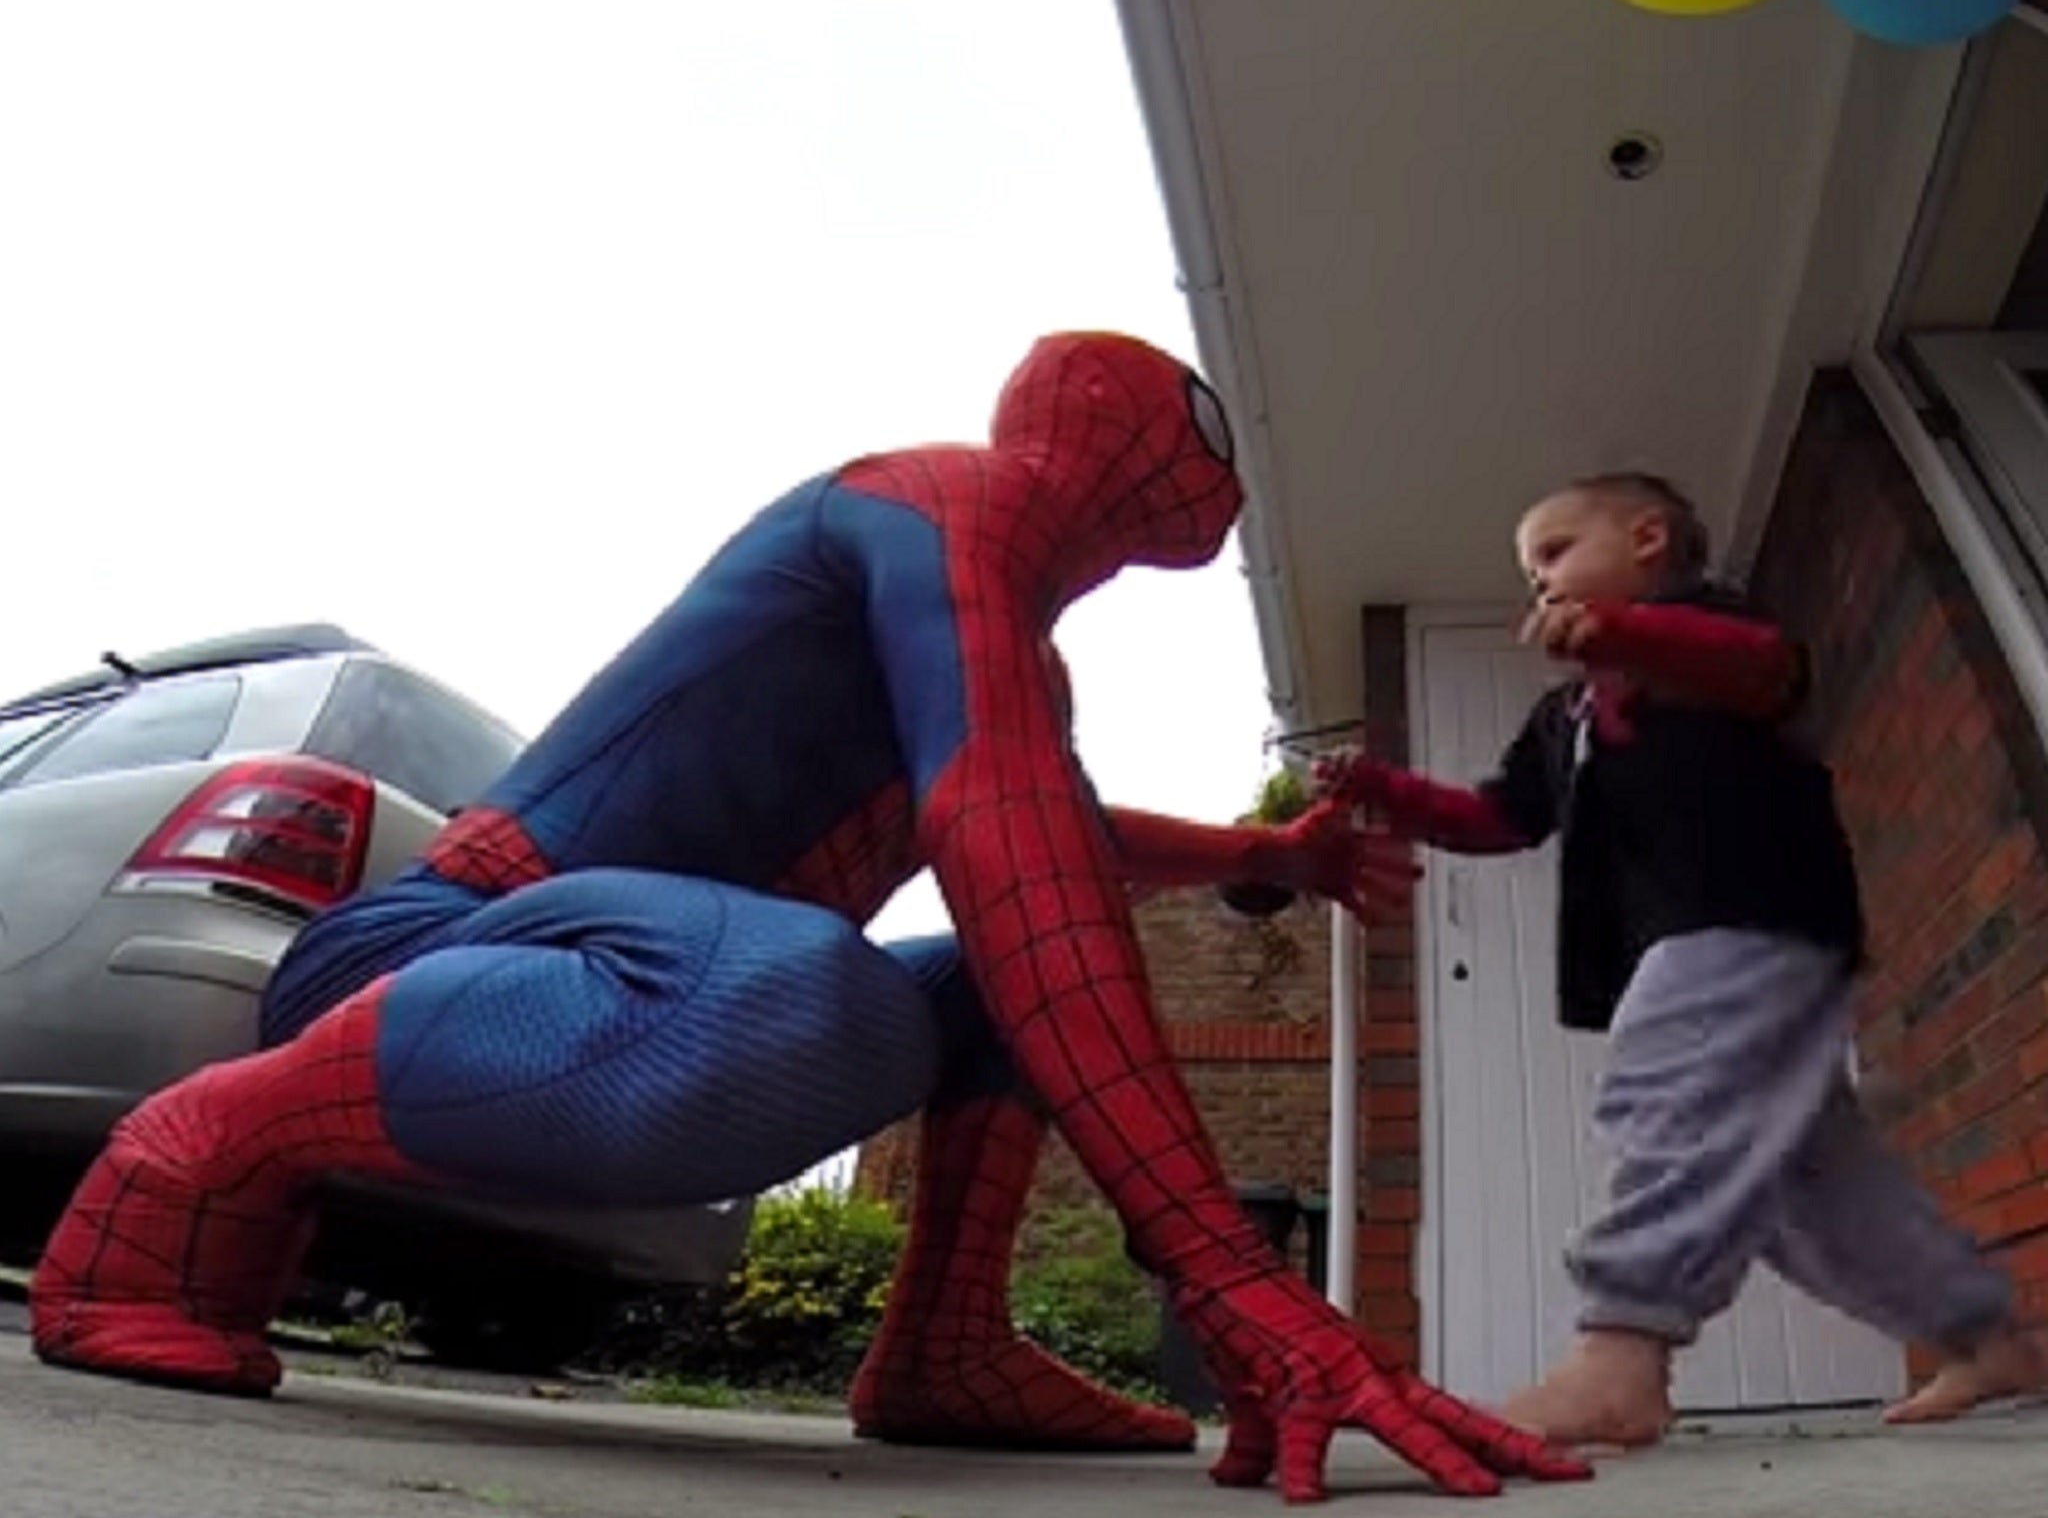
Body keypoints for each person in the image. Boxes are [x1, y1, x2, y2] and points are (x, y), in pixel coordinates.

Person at [30, 331, 1586, 1503]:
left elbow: (1058, 831)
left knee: (962, 984)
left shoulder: (1003, 654)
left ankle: (944, 1344)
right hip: (445, 957)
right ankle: (202, 1145)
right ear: (1116, 436)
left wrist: (1289, 863)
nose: (1219, 472)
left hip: (638, 988)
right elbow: (1007, 834)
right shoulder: (931, 503)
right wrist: (1222, 1267)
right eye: (1198, 433)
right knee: (814, 992)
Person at [1323, 471, 2043, 1450]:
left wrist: (1621, 639)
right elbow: (1495, 818)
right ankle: (1983, 1334)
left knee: (1669, 1091)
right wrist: (1380, 786)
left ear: (1648, 538)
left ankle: (1620, 1357)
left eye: (1551, 554)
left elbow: (1762, 670)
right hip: (1704, 934)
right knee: (1804, 1183)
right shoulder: (1562, 716)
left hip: (1753, 911)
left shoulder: (1704, 627)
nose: (1537, 584)